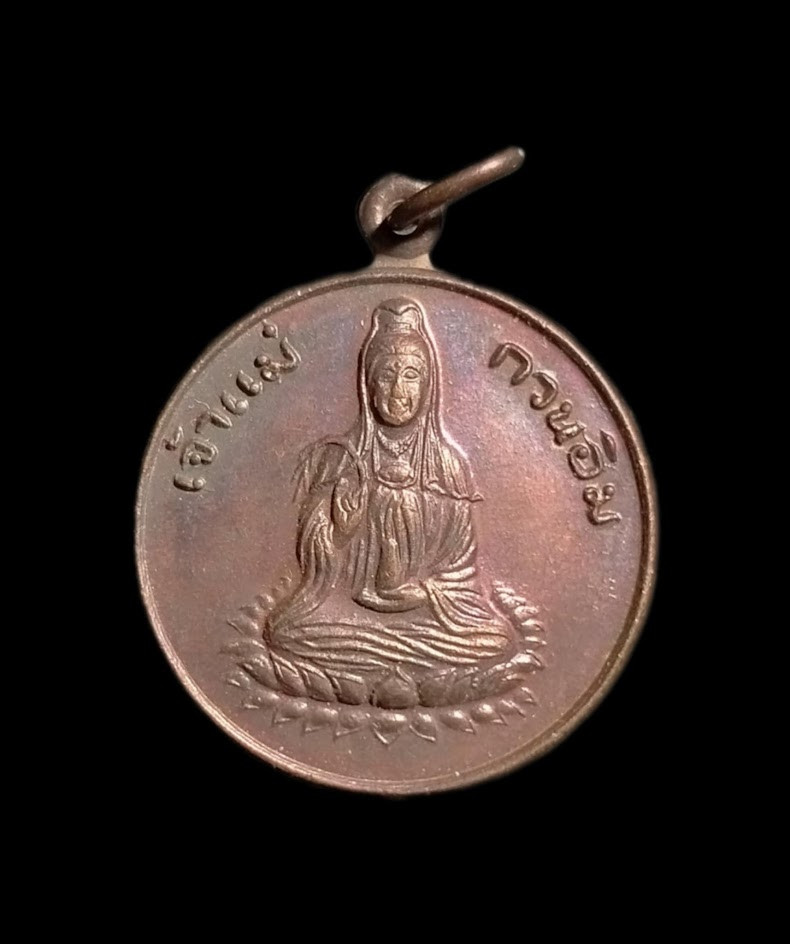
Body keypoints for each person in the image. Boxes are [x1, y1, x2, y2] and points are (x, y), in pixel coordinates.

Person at [266, 297, 516, 683]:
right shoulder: (342, 458)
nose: (399, 390)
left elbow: (461, 569)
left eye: (411, 375)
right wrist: (341, 532)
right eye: (386, 375)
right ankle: (399, 668)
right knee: (285, 633)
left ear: (428, 385)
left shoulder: (448, 466)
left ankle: (375, 667)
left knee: (493, 640)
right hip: (347, 617)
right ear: (368, 385)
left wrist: (423, 594)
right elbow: (314, 564)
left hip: (427, 617)